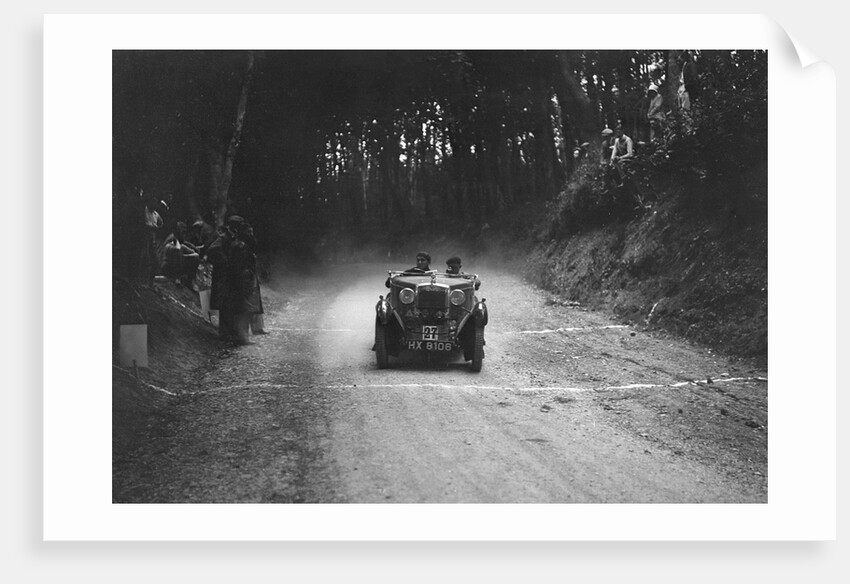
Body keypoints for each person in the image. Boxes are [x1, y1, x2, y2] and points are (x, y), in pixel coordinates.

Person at [205, 216, 242, 341]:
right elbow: (211, 250)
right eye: (238, 225)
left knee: (231, 304)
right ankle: (225, 334)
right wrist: (225, 261)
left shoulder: (233, 237)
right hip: (224, 276)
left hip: (231, 276)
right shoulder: (224, 237)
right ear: (234, 226)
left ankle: (231, 333)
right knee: (225, 304)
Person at [160, 221, 200, 285]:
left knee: (193, 256)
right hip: (169, 264)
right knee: (193, 259)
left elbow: (183, 243)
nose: (184, 234)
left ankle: (187, 280)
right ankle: (185, 280)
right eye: (183, 232)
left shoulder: (177, 239)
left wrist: (192, 248)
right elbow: (176, 253)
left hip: (173, 262)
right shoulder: (172, 239)